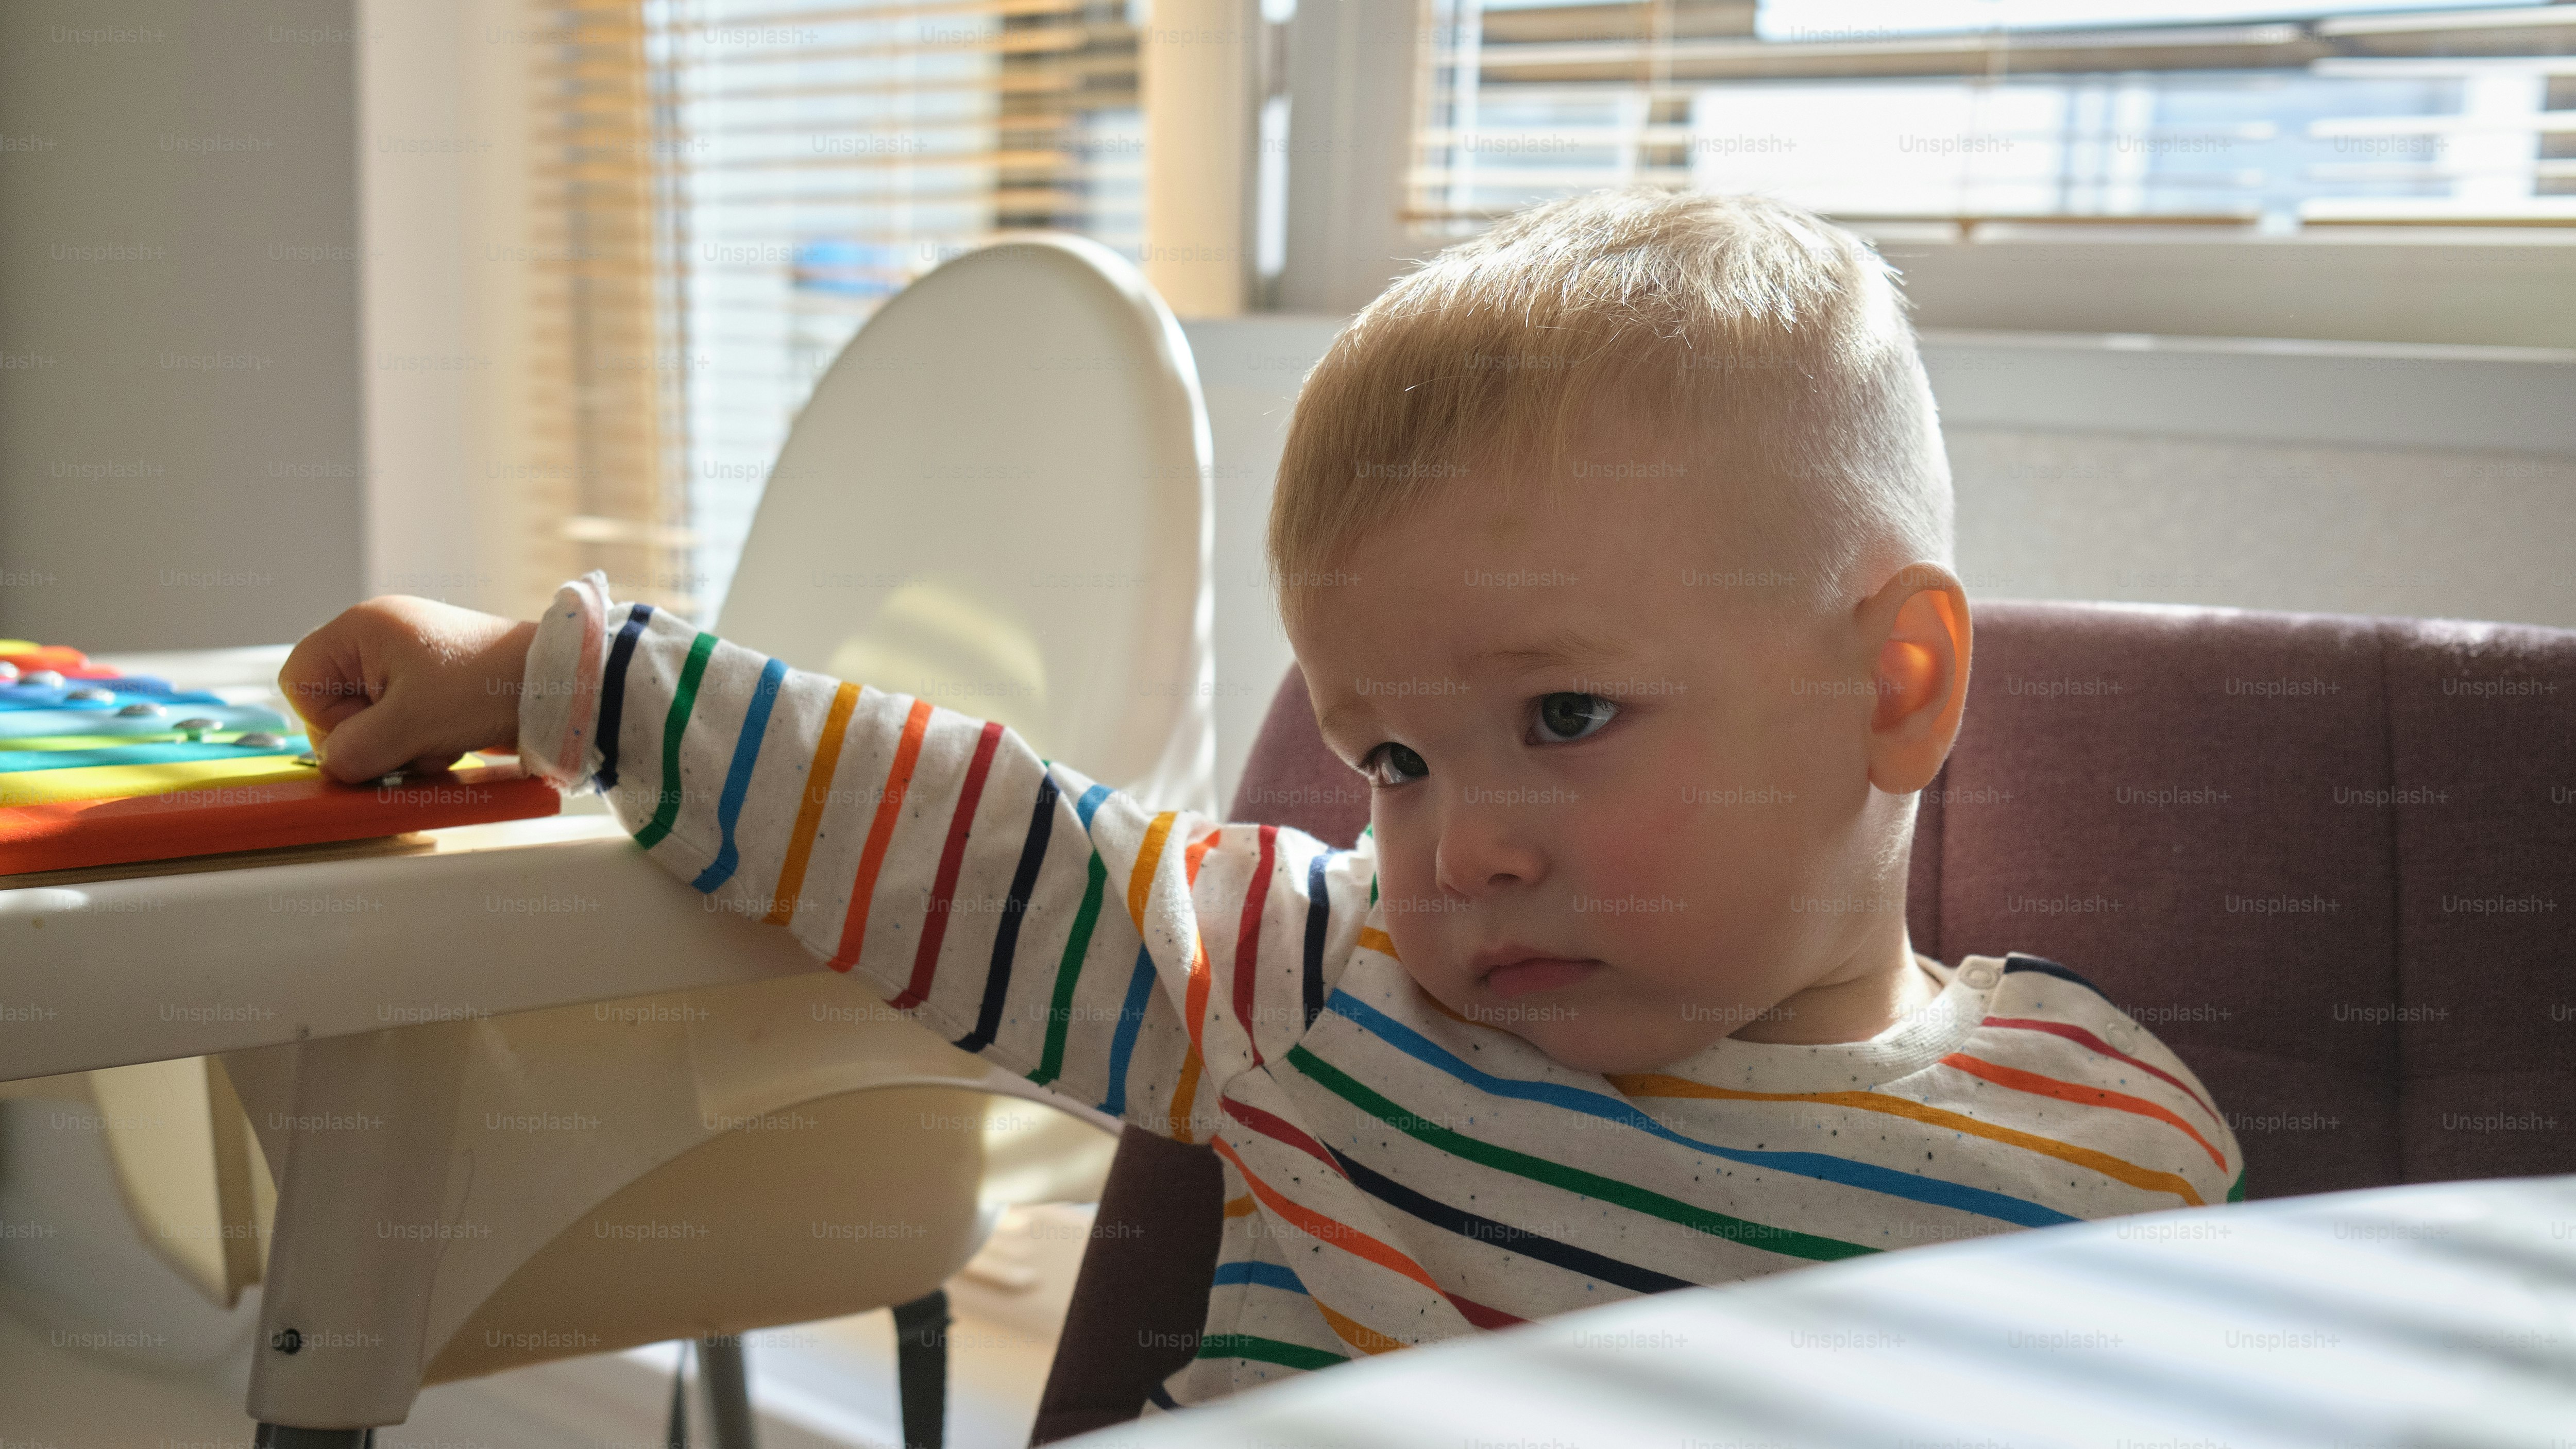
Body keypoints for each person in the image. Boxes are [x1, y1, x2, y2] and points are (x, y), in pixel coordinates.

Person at [282, 187, 2243, 1413]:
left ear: (1895, 686)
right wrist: (561, 682)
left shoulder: (2105, 1160)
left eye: (1565, 712)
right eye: (1388, 755)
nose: (1455, 844)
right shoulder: (1330, 983)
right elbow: (965, 832)